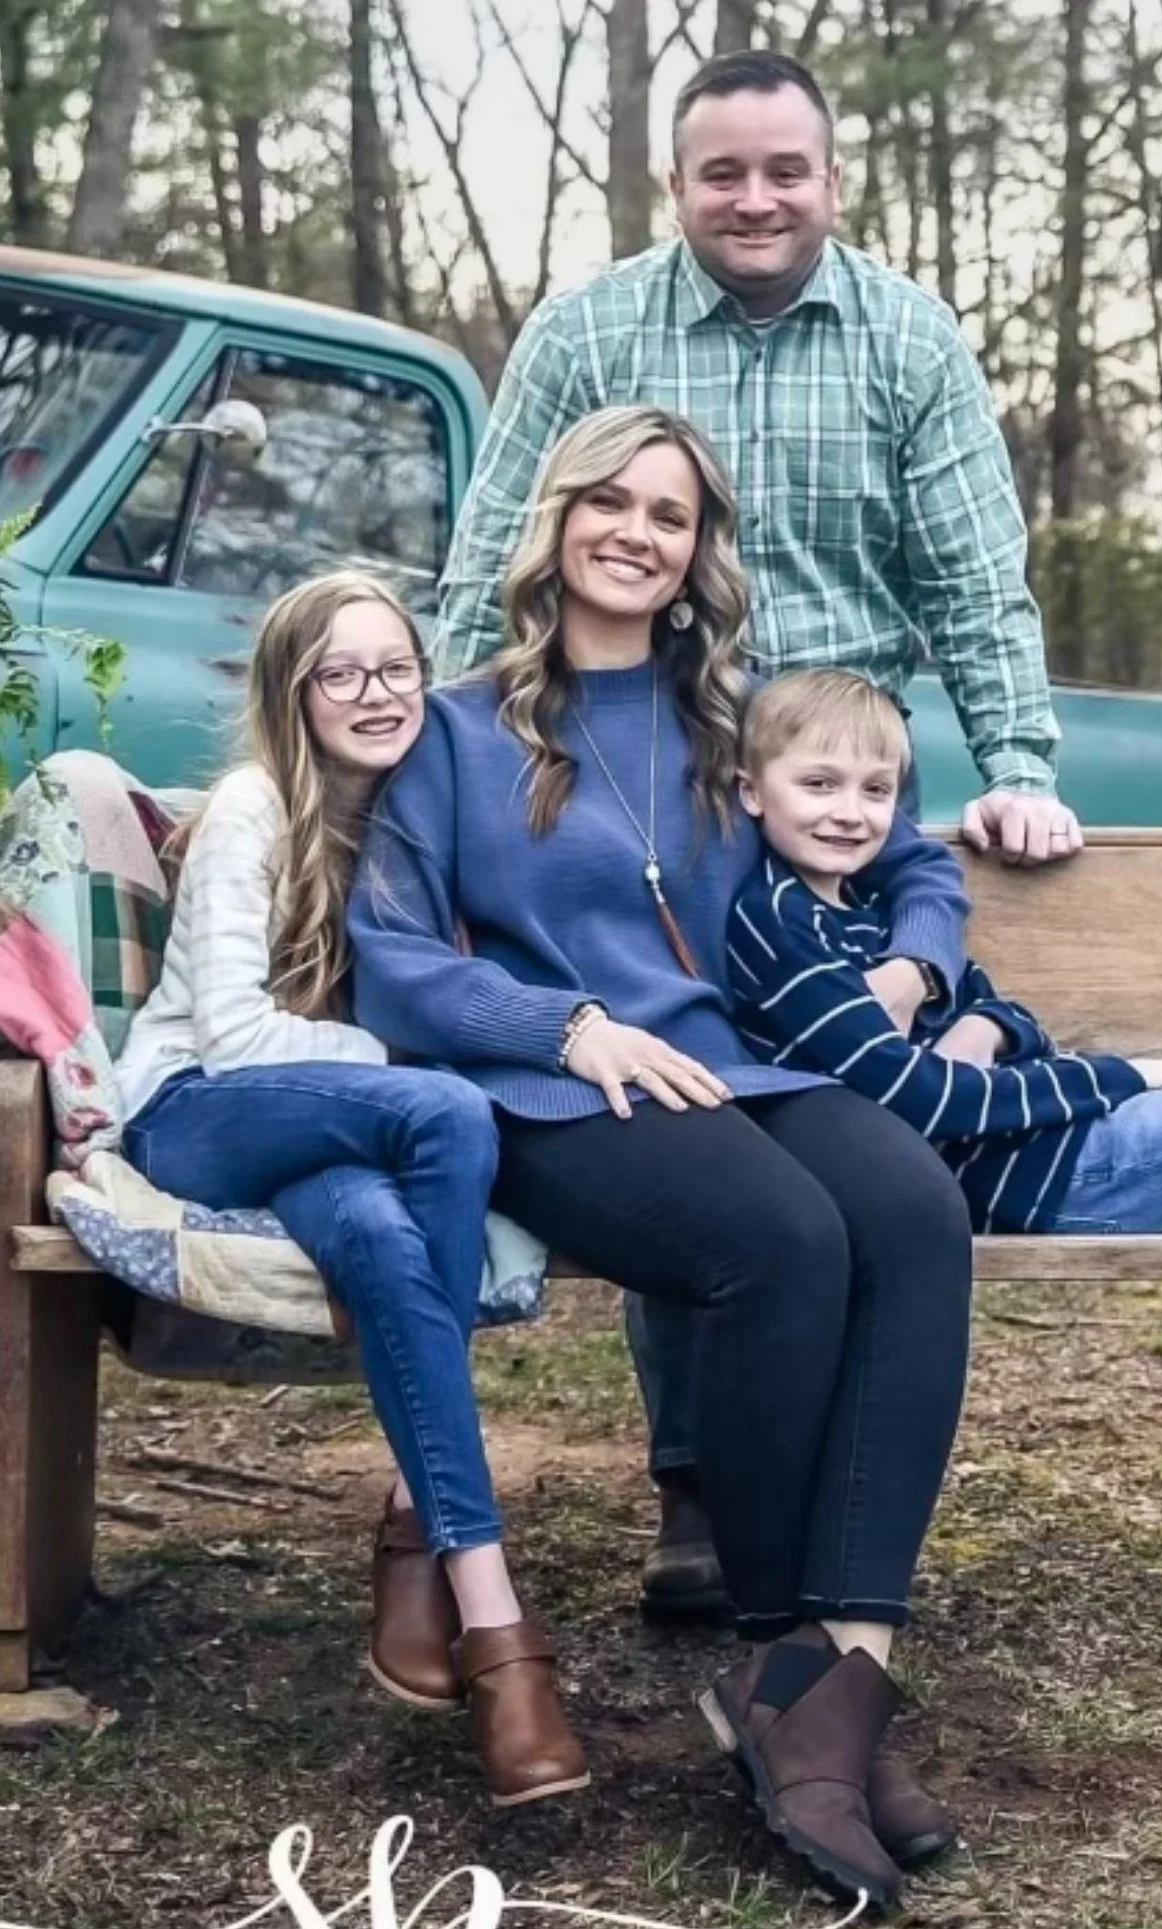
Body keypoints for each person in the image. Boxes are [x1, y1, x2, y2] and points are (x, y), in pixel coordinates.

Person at [434, 46, 1082, 1590]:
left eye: (783, 170)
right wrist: (450, 775)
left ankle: (798, 1489)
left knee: (802, 1127)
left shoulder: (907, 338)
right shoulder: (590, 331)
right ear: (678, 183)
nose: (754, 197)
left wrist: (1020, 764)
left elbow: (971, 581)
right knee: (671, 1073)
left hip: (828, 797)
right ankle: (699, 1489)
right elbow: (488, 562)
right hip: (626, 773)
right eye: (722, 171)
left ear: (830, 177)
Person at [349, 404, 974, 1908]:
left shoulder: (726, 716)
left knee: (912, 1209)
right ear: (559, 521)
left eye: (672, 515)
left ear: (698, 553)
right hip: (546, 1098)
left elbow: (917, 855)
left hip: (730, 1064)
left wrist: (919, 968)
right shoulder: (455, 724)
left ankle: (836, 1680)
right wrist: (561, 1027)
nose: (637, 531)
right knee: (780, 1240)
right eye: (610, 503)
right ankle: (777, 1655)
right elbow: (389, 959)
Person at [114, 571, 589, 1811]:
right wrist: (408, 1069)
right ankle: (492, 1613)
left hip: (341, 1151)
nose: (378, 694)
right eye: (344, 672)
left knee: (380, 1233)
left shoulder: (422, 817)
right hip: (200, 1117)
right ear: (295, 691)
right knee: (446, 1106)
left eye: (397, 667)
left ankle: (432, 1550)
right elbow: (231, 1036)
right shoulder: (251, 810)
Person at [729, 668, 1162, 1242]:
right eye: (819, 784)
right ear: (751, 790)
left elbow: (1011, 1015)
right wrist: (1125, 1076)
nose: (851, 812)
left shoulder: (873, 909)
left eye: (875, 790)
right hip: (1037, 1177)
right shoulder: (779, 922)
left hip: (1064, 1144)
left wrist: (981, 1026)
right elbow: (917, 1098)